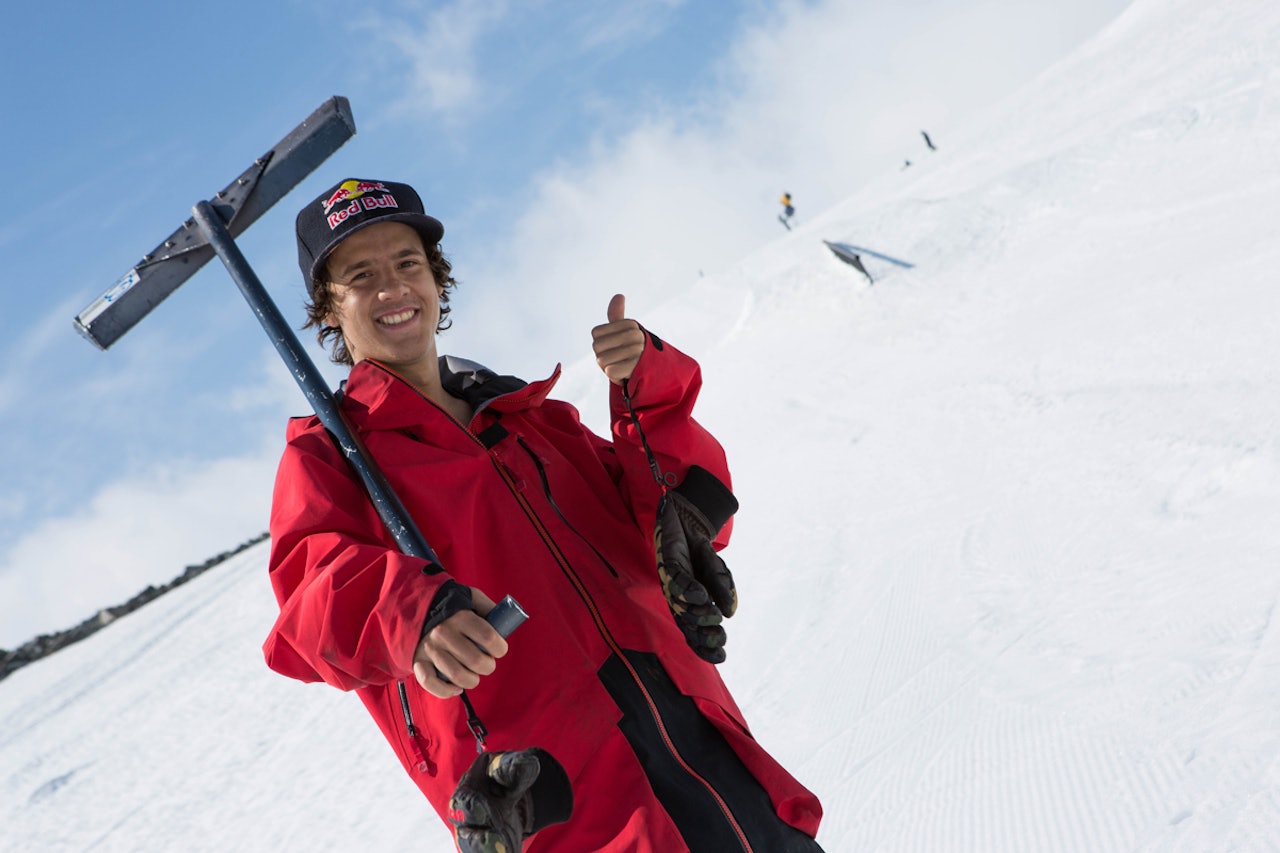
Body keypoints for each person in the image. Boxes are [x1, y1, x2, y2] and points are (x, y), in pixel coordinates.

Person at [262, 177, 825, 852]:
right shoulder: (331, 458)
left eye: (407, 263)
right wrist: (416, 615)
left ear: (437, 280)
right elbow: (310, 601)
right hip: (558, 796)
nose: (392, 288)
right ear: (329, 308)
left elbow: (663, 510)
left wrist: (647, 388)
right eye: (361, 276)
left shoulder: (530, 421)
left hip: (712, 761)